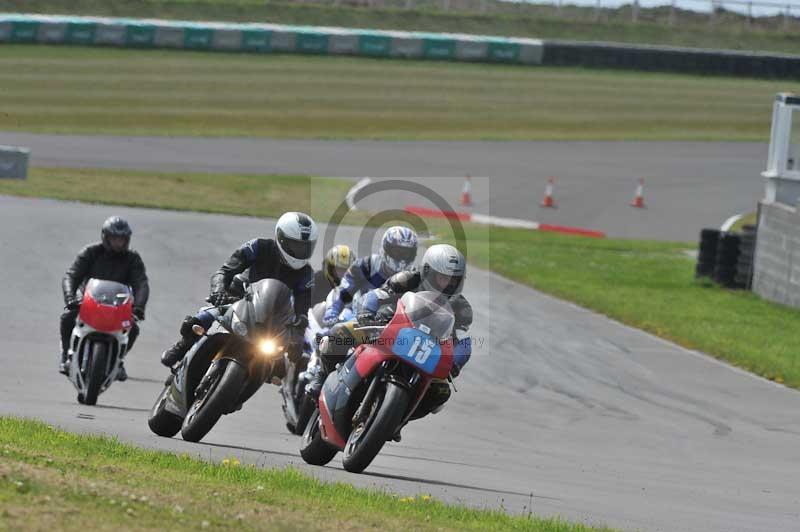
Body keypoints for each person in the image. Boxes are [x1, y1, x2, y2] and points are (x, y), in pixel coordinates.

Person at [309, 244, 473, 440]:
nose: (448, 285)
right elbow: (375, 296)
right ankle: (320, 378)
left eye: (453, 281)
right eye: (443, 278)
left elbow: (463, 342)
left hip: (426, 351)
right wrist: (367, 315)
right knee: (338, 334)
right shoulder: (407, 279)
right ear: (428, 271)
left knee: (440, 392)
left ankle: (396, 421)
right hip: (386, 328)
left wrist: (455, 363)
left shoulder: (462, 308)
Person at [160, 212, 318, 369]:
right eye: (295, 246)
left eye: (305, 247)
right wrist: (219, 291)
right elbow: (224, 271)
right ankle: (182, 345)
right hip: (240, 298)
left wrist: (297, 337)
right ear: (281, 238)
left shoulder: (306, 273)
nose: (300, 252)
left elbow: (302, 311)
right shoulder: (258, 246)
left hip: (273, 320)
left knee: (279, 369)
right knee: (203, 318)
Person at [60, 216, 149, 380]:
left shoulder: (132, 259)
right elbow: (71, 276)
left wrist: (139, 307)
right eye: (115, 239)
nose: (118, 243)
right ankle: (66, 356)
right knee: (67, 317)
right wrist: (71, 298)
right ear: (106, 237)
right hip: (88, 299)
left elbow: (141, 284)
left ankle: (119, 361)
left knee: (133, 328)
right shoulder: (90, 252)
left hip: (118, 303)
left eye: (121, 239)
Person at [322, 226, 418, 326]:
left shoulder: (414, 276)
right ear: (385, 249)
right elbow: (342, 290)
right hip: (357, 321)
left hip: (397, 327)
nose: (402, 258)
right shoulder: (366, 266)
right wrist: (332, 313)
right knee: (333, 332)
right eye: (397, 252)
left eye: (406, 253)